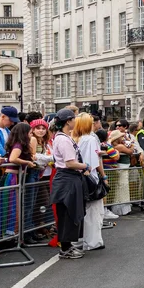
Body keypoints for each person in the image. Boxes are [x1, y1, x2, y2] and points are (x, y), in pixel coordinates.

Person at [49, 109, 90, 260]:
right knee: (68, 213)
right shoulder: (63, 139)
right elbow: (70, 163)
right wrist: (85, 166)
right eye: (73, 119)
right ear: (68, 121)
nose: (75, 121)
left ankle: (67, 245)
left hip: (68, 178)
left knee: (70, 212)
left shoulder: (63, 137)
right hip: (67, 179)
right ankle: (65, 248)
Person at [74, 113, 107, 252]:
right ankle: (93, 241)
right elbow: (93, 161)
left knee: (87, 210)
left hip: (80, 176)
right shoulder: (90, 139)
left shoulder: (77, 138)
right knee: (94, 211)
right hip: (90, 175)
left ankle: (87, 240)